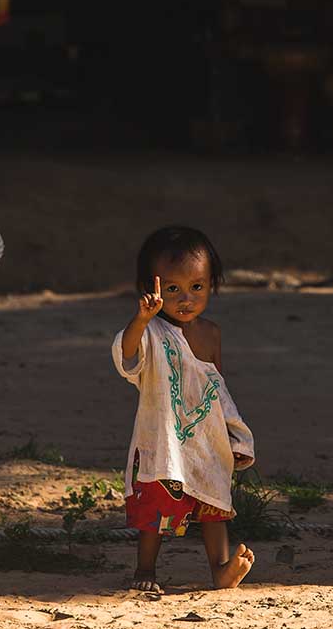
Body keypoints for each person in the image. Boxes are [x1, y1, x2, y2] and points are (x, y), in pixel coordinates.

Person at [111, 226, 256, 594]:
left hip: (206, 438)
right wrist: (141, 319)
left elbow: (218, 388)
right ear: (150, 288)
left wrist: (233, 433)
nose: (186, 299)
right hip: (165, 440)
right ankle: (146, 568)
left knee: (214, 504)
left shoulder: (211, 334)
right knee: (157, 513)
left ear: (212, 284)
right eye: (172, 288)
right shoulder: (151, 332)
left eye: (197, 287)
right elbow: (126, 356)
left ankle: (221, 569)